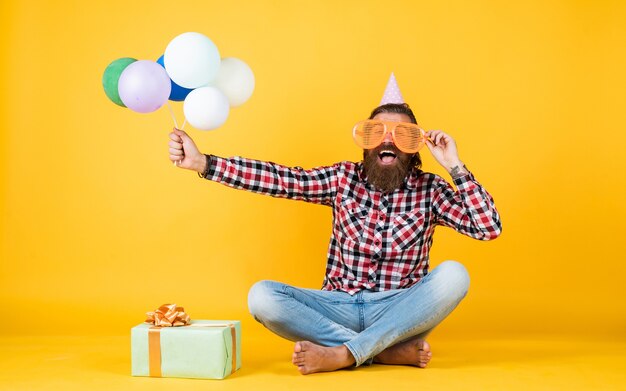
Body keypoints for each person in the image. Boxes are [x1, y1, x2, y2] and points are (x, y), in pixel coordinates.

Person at [168, 102, 501, 375]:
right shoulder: (343, 179)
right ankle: (380, 351)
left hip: (399, 310)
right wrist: (203, 163)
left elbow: (488, 228)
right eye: (376, 132)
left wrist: (454, 165)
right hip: (336, 306)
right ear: (365, 143)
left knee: (455, 274)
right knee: (262, 297)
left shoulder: (431, 190)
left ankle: (345, 353)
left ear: (415, 149)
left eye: (401, 135)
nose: (387, 141)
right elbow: (282, 180)